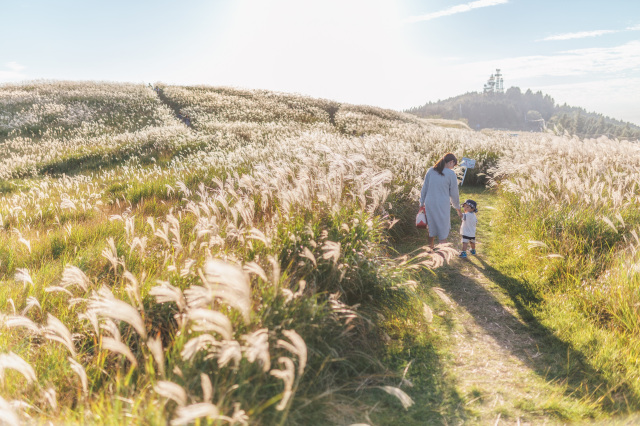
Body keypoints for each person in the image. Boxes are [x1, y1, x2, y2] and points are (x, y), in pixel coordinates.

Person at [419, 153, 462, 249]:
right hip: (442, 204)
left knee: (431, 227)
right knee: (443, 228)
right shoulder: (451, 174)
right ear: (451, 162)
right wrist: (457, 208)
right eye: (453, 165)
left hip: (429, 202)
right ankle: (442, 254)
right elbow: (454, 194)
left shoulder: (431, 170)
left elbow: (424, 188)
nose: (453, 168)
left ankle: (430, 249)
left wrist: (421, 203)